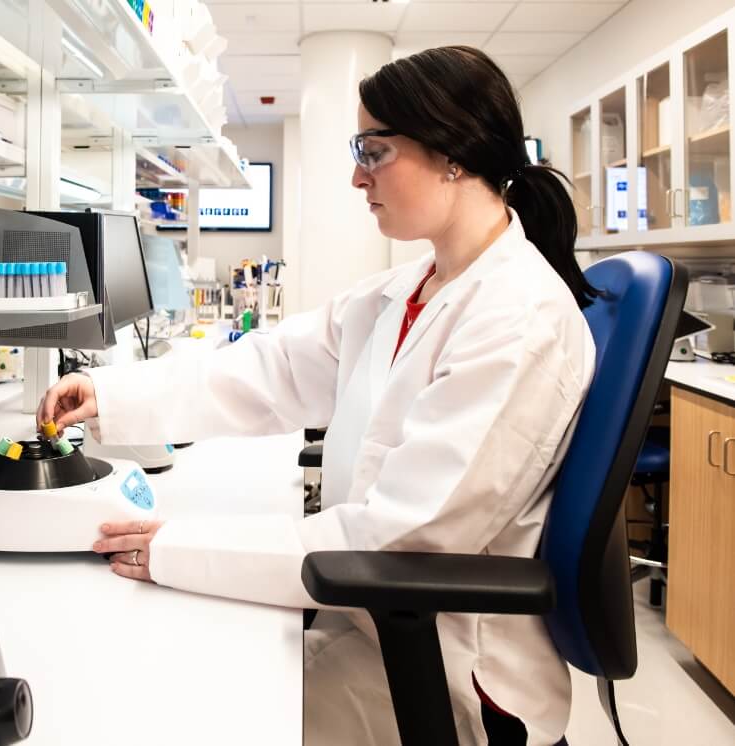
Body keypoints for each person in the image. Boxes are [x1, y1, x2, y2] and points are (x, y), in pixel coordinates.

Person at [38, 46, 597, 746]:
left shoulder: (519, 320)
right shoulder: (412, 290)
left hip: (446, 670)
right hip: (369, 622)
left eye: (374, 150)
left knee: (170, 709)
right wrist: (110, 394)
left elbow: (396, 541)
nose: (356, 175)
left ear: (452, 153)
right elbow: (272, 368)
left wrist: (176, 549)